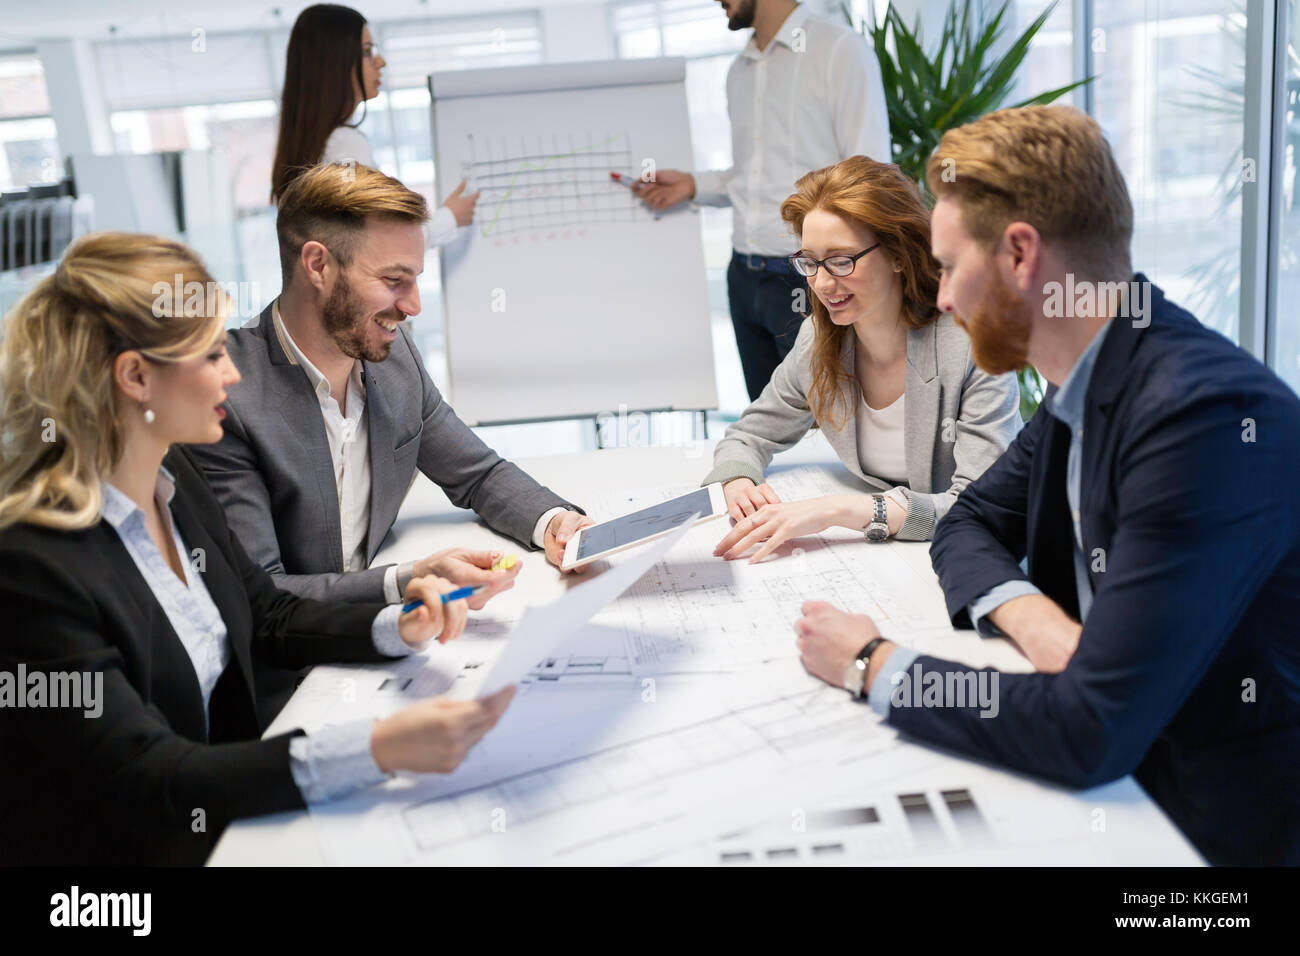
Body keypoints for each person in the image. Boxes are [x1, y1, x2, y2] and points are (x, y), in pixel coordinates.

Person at [793, 105, 1300, 866]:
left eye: (953, 266)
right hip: (1116, 782)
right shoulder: (1088, 376)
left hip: (1205, 831)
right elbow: (968, 521)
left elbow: (1090, 728)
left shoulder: (1202, 417)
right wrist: (1035, 620)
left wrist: (876, 664)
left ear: (1021, 255)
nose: (942, 299)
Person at [0, 233, 515, 865]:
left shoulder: (173, 480)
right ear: (135, 376)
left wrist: (396, 624)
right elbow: (145, 776)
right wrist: (375, 750)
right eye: (211, 355)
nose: (234, 372)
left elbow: (266, 613)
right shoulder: (33, 566)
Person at [190, 162, 593, 722]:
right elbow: (267, 597)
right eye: (394, 280)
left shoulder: (394, 355)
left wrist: (554, 523)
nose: (412, 306)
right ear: (317, 265)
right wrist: (408, 580)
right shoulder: (225, 396)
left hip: (393, 655)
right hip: (293, 687)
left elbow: (476, 472)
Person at [706, 156, 1019, 562]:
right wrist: (738, 482)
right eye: (810, 262)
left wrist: (839, 510)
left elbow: (982, 509)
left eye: (841, 260)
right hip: (885, 560)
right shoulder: (819, 341)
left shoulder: (973, 345)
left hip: (967, 558)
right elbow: (748, 435)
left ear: (898, 255)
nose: (821, 282)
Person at [635, 0, 891, 401]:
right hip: (743, 278)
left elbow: (870, 178)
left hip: (809, 281)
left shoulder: (840, 50)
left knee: (827, 429)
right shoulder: (739, 72)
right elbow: (752, 177)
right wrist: (692, 184)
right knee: (769, 425)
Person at [270, 2, 479, 246]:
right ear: (336, 62)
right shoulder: (346, 144)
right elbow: (381, 244)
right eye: (368, 51)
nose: (381, 62)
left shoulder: (313, 144)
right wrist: (451, 217)